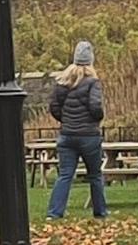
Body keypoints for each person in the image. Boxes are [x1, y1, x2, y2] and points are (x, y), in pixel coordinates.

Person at [45, 42, 111, 221]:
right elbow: (96, 106)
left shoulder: (62, 82)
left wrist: (66, 120)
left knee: (65, 174)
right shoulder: (92, 82)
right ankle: (100, 211)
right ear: (90, 61)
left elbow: (54, 107)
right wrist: (96, 119)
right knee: (95, 175)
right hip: (89, 135)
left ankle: (54, 212)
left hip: (67, 135)